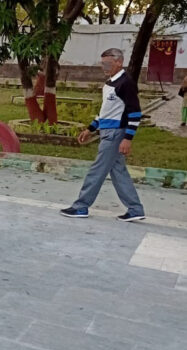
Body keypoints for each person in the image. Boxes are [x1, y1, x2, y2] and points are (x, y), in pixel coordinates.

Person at [61, 48, 145, 222]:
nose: (104, 67)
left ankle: (81, 206)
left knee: (97, 170)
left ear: (119, 62)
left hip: (115, 134)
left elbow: (135, 112)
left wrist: (127, 138)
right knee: (119, 172)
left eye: (107, 63)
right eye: (103, 63)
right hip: (107, 131)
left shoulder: (126, 83)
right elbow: (105, 112)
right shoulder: (110, 83)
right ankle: (135, 209)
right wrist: (90, 129)